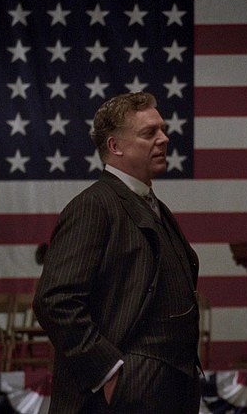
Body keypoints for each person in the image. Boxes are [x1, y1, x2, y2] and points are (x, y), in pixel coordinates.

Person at [33, 92, 201, 414]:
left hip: (164, 392)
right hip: (116, 398)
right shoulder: (93, 206)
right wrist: (108, 373)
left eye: (163, 129)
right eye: (149, 133)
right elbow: (54, 300)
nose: (164, 139)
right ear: (115, 146)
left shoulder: (154, 207)